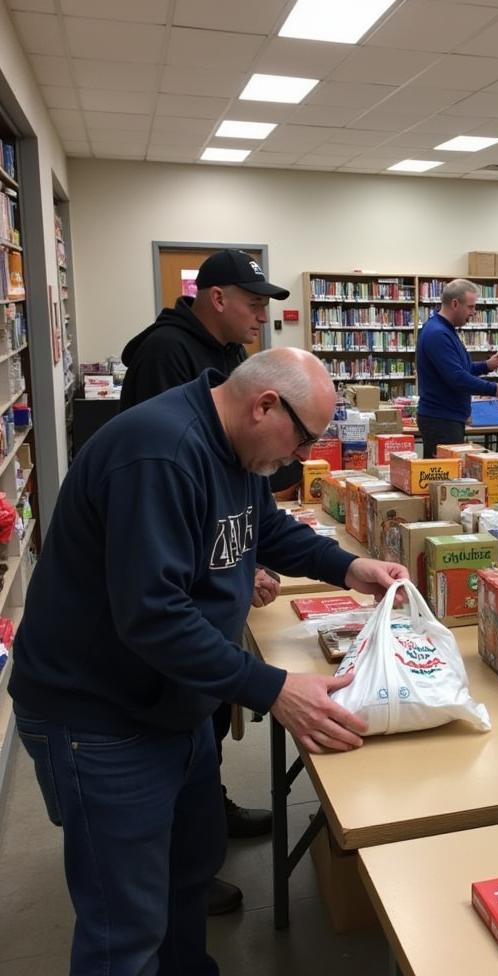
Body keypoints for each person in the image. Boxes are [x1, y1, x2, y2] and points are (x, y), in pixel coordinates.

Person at [12, 349, 408, 976]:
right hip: (100, 715)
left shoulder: (233, 449)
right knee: (124, 926)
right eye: (304, 437)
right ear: (264, 406)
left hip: (173, 701)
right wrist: (272, 688)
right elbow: (152, 615)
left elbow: (265, 529)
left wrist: (348, 567)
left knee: (185, 878)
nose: (301, 456)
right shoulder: (161, 454)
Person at [120, 248, 294, 915]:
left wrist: (241, 551)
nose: (261, 315)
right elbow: (173, 491)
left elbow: (235, 491)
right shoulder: (169, 356)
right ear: (214, 296)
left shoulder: (222, 360)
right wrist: (229, 561)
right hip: (158, 615)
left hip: (200, 581)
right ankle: (180, 865)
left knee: (205, 725)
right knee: (180, 723)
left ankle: (205, 826)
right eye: (253, 303)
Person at [415, 278, 498, 457]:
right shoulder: (438, 334)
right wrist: (494, 389)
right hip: (441, 420)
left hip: (447, 418)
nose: (474, 312)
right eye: (471, 307)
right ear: (455, 303)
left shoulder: (445, 330)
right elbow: (456, 377)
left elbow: (459, 369)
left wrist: (486, 366)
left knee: (448, 477)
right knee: (444, 480)